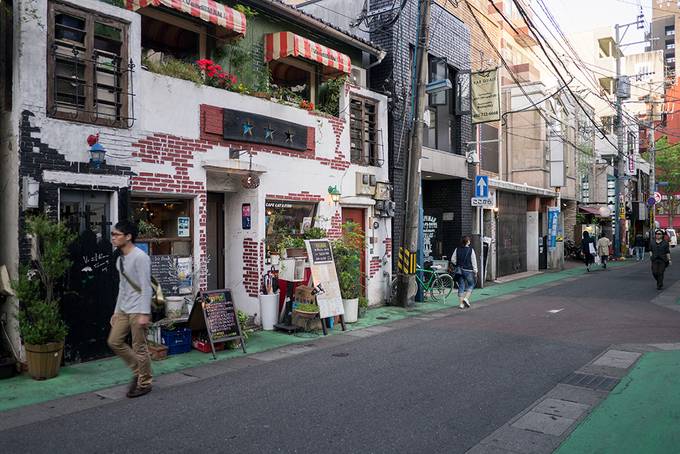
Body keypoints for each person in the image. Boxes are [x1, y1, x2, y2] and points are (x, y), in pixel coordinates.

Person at [107, 220, 153, 398]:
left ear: (128, 237)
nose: (113, 238)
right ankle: (138, 371)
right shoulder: (120, 259)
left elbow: (146, 286)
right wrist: (116, 311)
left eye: (117, 235)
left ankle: (145, 382)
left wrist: (144, 313)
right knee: (114, 341)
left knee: (139, 347)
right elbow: (123, 286)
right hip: (124, 309)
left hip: (138, 310)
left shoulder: (141, 257)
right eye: (113, 234)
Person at [451, 236, 478, 309]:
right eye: (469, 240)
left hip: (459, 270)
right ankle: (466, 299)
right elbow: (474, 261)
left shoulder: (457, 249)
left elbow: (452, 259)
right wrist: (475, 271)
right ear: (467, 242)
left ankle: (461, 304)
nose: (470, 241)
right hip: (468, 270)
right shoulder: (471, 250)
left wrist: (458, 264)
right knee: (471, 284)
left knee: (461, 286)